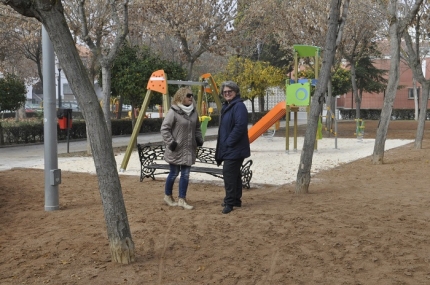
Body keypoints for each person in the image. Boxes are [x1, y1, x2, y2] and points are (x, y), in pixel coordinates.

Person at [160, 87, 204, 210]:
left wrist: (199, 139)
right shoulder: (173, 111)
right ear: (181, 97)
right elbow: (164, 129)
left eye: (192, 95)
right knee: (174, 173)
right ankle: (168, 196)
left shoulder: (194, 112)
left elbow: (197, 128)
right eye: (188, 95)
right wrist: (171, 143)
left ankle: (182, 199)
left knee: (185, 175)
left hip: (189, 149)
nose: (191, 97)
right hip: (176, 149)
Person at [215, 81, 251, 214]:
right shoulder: (227, 106)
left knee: (229, 173)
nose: (227, 94)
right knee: (234, 175)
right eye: (225, 92)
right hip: (230, 147)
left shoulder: (238, 106)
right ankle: (236, 199)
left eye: (230, 91)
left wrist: (229, 142)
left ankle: (229, 202)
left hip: (235, 147)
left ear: (235, 92)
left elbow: (240, 126)